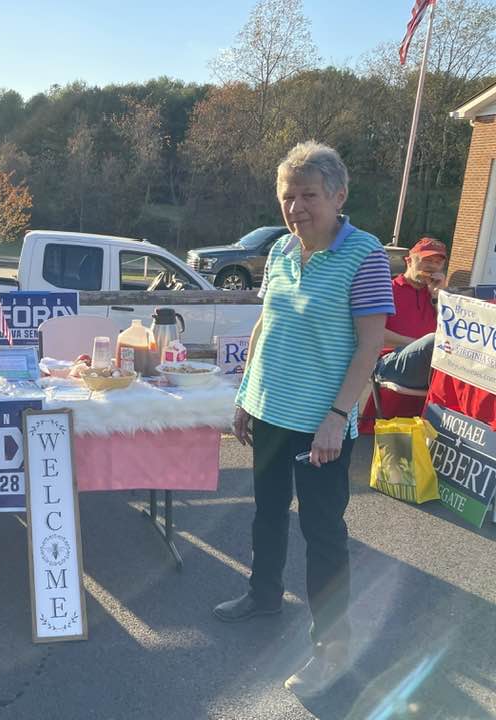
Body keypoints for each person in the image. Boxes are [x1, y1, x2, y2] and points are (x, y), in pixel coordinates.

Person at [214, 142, 394, 697]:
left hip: (322, 422)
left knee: (323, 534)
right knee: (266, 513)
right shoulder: (283, 254)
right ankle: (264, 593)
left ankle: (332, 648)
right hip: (270, 411)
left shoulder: (365, 256)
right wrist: (246, 395)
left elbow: (370, 347)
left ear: (339, 195)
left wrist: (338, 417)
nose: (296, 207)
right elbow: (266, 328)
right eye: (287, 197)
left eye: (309, 195)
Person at [373, 237, 448, 390]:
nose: (432, 266)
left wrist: (438, 297)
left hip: (429, 364)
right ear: (409, 261)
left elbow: (450, 333)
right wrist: (418, 344)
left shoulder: (438, 296)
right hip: (389, 361)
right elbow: (372, 332)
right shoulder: (387, 289)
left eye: (437, 262)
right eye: (427, 260)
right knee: (433, 342)